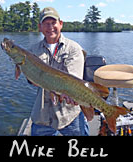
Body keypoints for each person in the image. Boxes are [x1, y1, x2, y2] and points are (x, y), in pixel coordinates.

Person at [28, 7, 90, 136]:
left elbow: (74, 80)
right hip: (42, 115)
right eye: (46, 23)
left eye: (53, 23)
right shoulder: (33, 51)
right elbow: (31, 80)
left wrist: (70, 94)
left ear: (60, 24)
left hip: (69, 115)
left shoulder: (73, 48)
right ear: (40, 27)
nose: (50, 27)